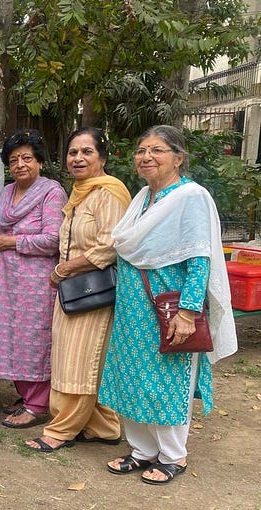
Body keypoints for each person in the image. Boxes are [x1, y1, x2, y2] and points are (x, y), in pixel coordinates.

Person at [99, 125, 237, 484]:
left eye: (157, 150)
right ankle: (142, 451)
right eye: (142, 150)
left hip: (168, 307)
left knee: (167, 380)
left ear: (178, 157)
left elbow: (199, 258)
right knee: (133, 377)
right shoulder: (142, 198)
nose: (146, 156)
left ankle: (173, 456)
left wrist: (189, 313)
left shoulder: (190, 197)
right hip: (133, 309)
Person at [25, 127, 132, 453]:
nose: (78, 158)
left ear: (103, 156)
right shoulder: (81, 194)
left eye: (87, 151)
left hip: (92, 293)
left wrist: (64, 269)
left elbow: (109, 247)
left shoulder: (109, 194)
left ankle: (61, 429)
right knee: (79, 359)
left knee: (79, 362)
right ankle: (102, 426)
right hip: (72, 291)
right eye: (73, 152)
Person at [0, 129, 66, 428]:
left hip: (36, 282)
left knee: (34, 340)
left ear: (39, 161)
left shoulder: (52, 191)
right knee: (11, 339)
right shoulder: (6, 191)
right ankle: (25, 394)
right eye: (14, 159)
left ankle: (38, 403)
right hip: (6, 281)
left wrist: (12, 242)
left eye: (27, 158)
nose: (20, 165)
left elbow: (55, 239)